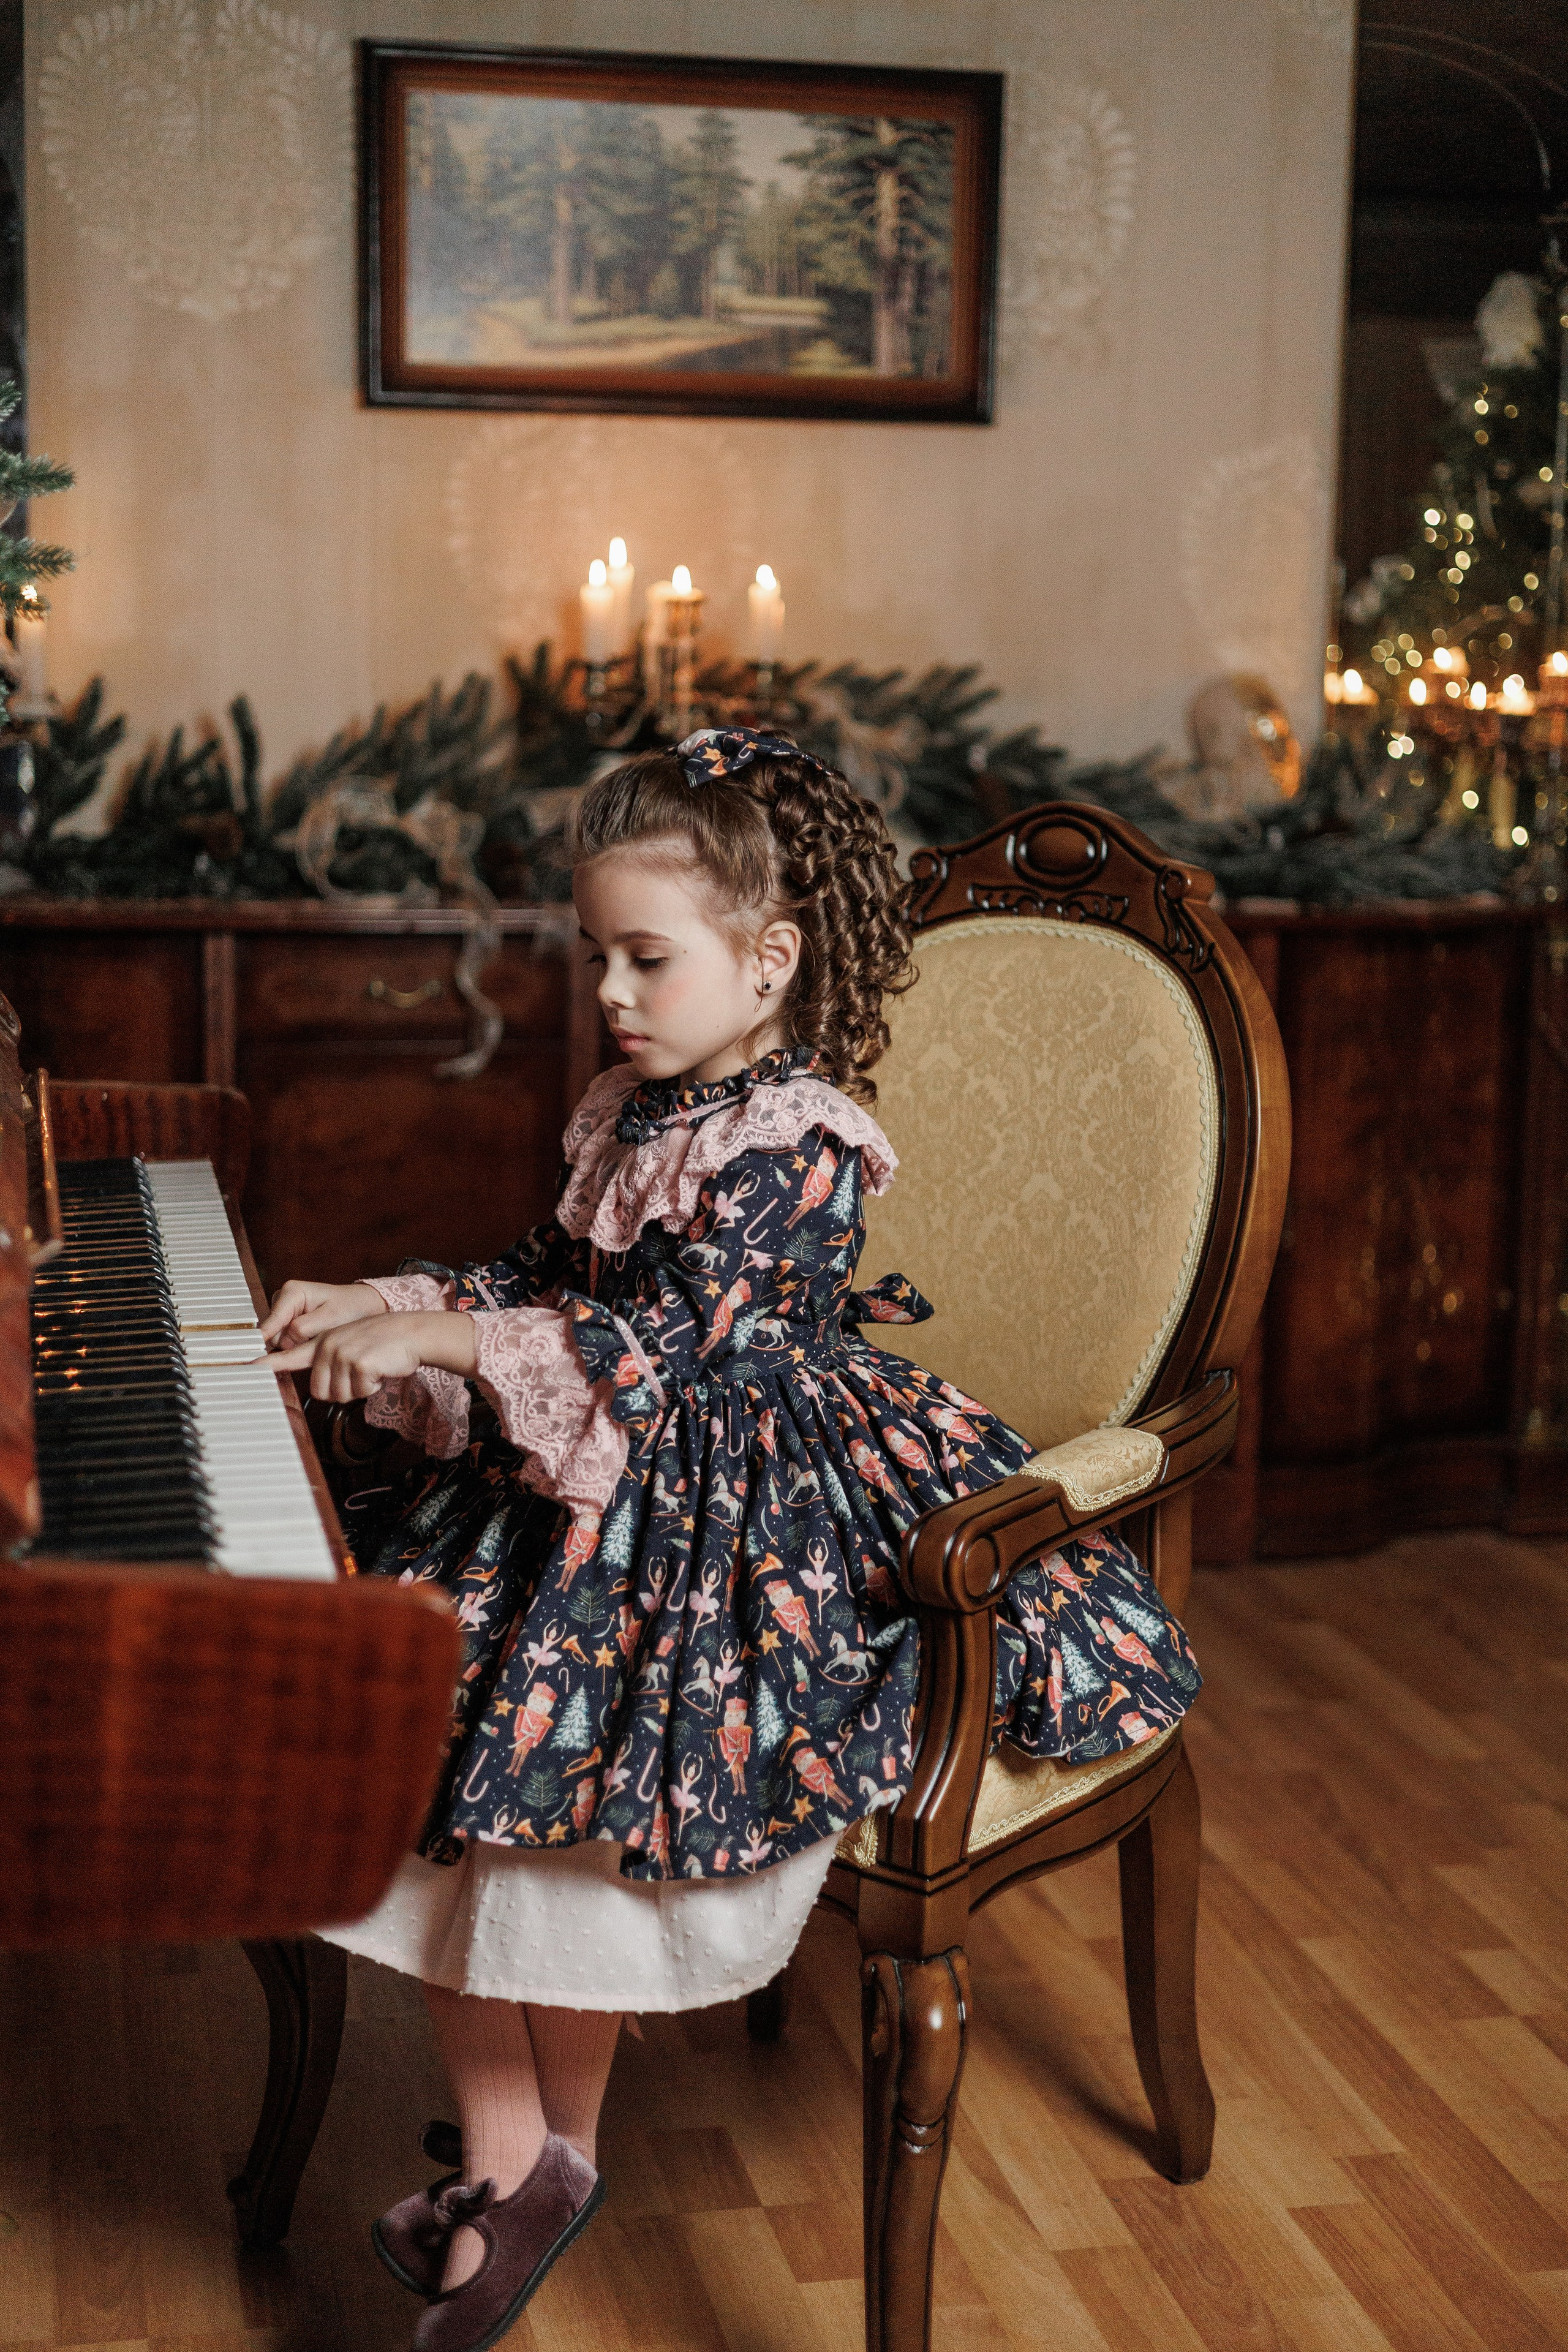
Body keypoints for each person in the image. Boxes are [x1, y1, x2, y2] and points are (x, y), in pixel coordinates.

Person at [260, 727, 1202, 2352]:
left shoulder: (803, 1144)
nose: (613, 994)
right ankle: (520, 2164)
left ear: (770, 963)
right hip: (595, 1480)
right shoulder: (629, 1107)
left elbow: (676, 1350)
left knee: (577, 1793)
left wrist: (452, 1355)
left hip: (732, 1508)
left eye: (648, 958)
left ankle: (556, 2160)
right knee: (417, 1762)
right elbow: (540, 1279)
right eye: (596, 955)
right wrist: (397, 1303)